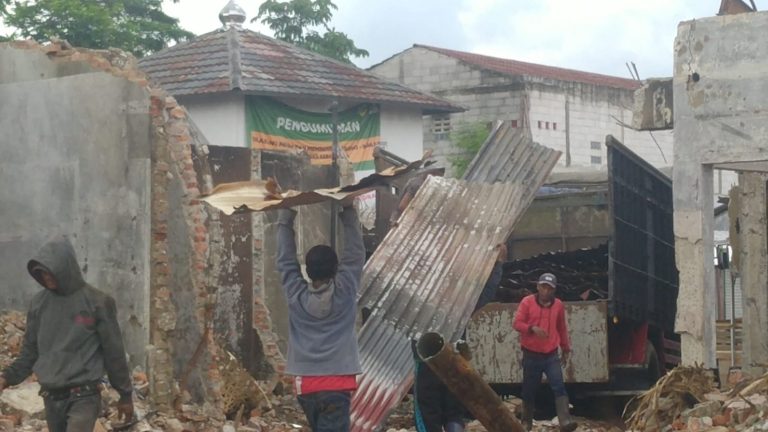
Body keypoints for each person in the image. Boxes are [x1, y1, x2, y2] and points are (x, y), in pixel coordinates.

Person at [0, 236, 134, 432]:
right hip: (51, 397)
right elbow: (30, 353)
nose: (47, 278)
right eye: (42, 274)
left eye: (51, 273)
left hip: (84, 396)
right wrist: (6, 378)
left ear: (66, 268)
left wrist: (125, 395)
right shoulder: (39, 304)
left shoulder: (97, 302)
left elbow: (114, 353)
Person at [276, 203, 365, 432]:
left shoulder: (296, 295)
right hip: (337, 385)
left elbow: (285, 262)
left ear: (307, 270)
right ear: (336, 268)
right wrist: (348, 211)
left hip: (306, 387)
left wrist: (285, 219)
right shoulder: (344, 293)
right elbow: (355, 255)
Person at [413, 244, 507, 432]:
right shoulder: (462, 302)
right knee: (453, 410)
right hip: (455, 358)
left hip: (427, 361)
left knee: (428, 411)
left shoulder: (422, 298)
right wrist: (498, 265)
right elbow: (486, 293)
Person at [513, 273, 576, 432]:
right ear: (538, 287)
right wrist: (531, 329)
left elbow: (561, 327)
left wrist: (566, 348)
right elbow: (517, 323)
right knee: (529, 389)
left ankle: (565, 421)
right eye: (543, 287)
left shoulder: (558, 305)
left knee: (558, 386)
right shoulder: (527, 302)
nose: (546, 291)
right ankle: (526, 423)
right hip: (531, 354)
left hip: (551, 353)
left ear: (554, 290)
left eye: (550, 288)